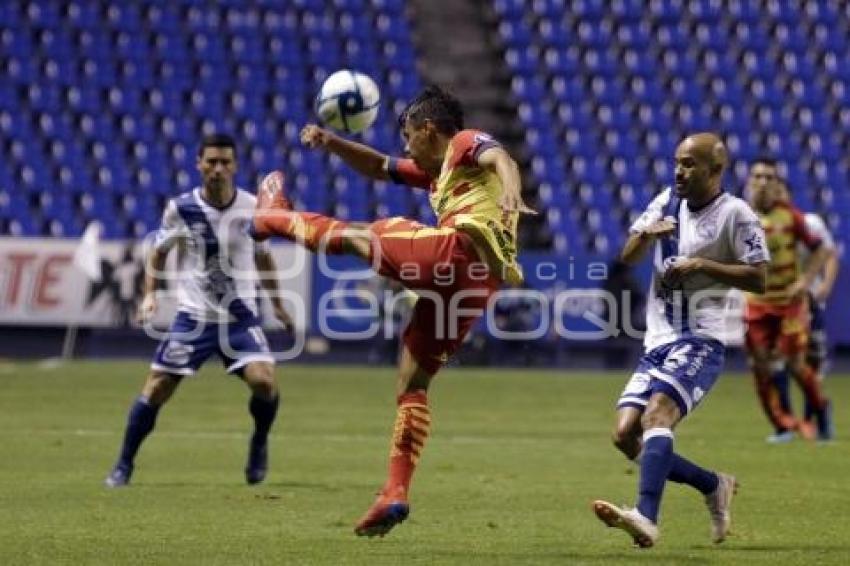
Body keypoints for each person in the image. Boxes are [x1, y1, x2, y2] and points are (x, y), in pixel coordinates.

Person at [251, 85, 531, 537]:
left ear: (427, 128)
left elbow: (503, 159)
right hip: (477, 284)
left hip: (455, 249)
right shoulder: (441, 172)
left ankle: (273, 217)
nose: (405, 146)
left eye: (407, 135)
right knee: (412, 383)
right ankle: (395, 491)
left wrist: (511, 193)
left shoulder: (462, 142)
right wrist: (333, 141)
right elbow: (380, 168)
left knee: (361, 235)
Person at [592, 133, 769, 548]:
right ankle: (713, 484)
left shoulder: (736, 215)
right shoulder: (666, 201)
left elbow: (759, 277)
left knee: (658, 417)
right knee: (624, 435)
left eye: (689, 164)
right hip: (658, 340)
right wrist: (648, 234)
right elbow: (628, 257)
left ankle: (645, 516)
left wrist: (701, 264)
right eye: (677, 162)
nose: (679, 171)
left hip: (702, 337)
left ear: (716, 170)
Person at [105, 134, 291, 487]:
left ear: (235, 166)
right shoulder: (181, 208)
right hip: (194, 318)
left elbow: (264, 259)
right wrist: (150, 296)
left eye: (225, 162)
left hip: (240, 319)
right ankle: (123, 465)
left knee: (265, 383)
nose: (218, 169)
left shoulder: (253, 207)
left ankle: (259, 442)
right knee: (157, 387)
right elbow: (158, 253)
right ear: (199, 165)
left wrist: (279, 307)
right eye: (211, 162)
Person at [744, 159, 833, 442]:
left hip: (789, 303)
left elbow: (821, 251)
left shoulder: (791, 217)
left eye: (768, 177)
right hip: (756, 303)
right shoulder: (739, 216)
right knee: (760, 367)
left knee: (795, 365)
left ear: (776, 183)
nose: (763, 182)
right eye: (757, 176)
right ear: (749, 181)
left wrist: (805, 281)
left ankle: (820, 409)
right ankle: (783, 424)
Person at [768, 178, 839, 440]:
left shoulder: (809, 223)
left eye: (780, 191)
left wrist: (825, 287)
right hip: (777, 305)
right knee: (776, 363)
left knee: (809, 365)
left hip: (809, 304)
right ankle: (786, 425)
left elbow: (829, 255)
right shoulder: (763, 226)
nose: (776, 197)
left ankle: (817, 418)